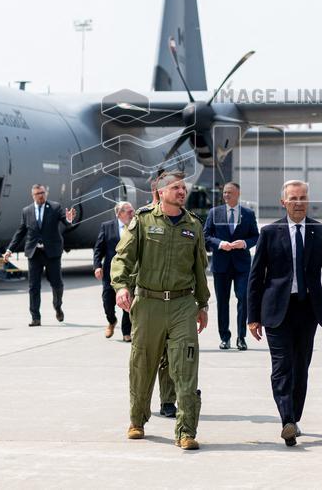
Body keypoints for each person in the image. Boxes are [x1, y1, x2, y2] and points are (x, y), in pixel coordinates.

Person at [111, 171, 210, 450]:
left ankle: (186, 430)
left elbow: (199, 269)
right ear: (161, 191)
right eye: (176, 187)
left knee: (185, 367)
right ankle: (137, 420)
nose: (182, 192)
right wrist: (120, 286)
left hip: (182, 305)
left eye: (183, 188)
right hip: (149, 304)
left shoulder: (194, 225)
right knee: (142, 365)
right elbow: (122, 258)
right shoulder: (142, 220)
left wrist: (202, 304)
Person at [247, 180, 322, 447]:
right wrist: (252, 317)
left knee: (301, 366)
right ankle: (287, 420)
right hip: (276, 310)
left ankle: (294, 416)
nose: (298, 202)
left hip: (308, 309)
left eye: (302, 198)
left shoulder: (320, 231)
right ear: (283, 202)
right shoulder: (269, 232)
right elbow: (255, 278)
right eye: (293, 198)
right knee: (282, 367)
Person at [3, 184, 77, 326]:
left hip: (52, 253)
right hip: (34, 253)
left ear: (46, 193)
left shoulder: (55, 207)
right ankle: (35, 317)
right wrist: (9, 250)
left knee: (57, 284)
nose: (41, 195)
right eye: (38, 193)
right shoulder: (27, 211)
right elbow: (20, 232)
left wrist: (69, 219)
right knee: (33, 286)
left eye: (43, 192)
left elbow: (66, 223)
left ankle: (57, 306)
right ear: (33, 196)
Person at [203, 182, 259, 351]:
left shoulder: (248, 214)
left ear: (238, 194)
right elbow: (206, 235)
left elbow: (255, 236)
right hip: (221, 264)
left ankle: (241, 337)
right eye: (225, 192)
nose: (226, 195)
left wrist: (244, 243)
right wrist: (220, 244)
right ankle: (224, 337)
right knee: (222, 302)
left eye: (230, 192)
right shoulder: (215, 212)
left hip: (242, 265)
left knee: (243, 299)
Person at [94, 202, 135, 341]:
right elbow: (98, 249)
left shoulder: (135, 226)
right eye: (128, 211)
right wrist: (97, 266)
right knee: (107, 302)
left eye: (132, 211)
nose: (132, 213)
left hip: (129, 272)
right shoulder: (107, 227)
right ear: (119, 213)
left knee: (127, 301)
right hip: (110, 273)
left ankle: (126, 332)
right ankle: (111, 320)